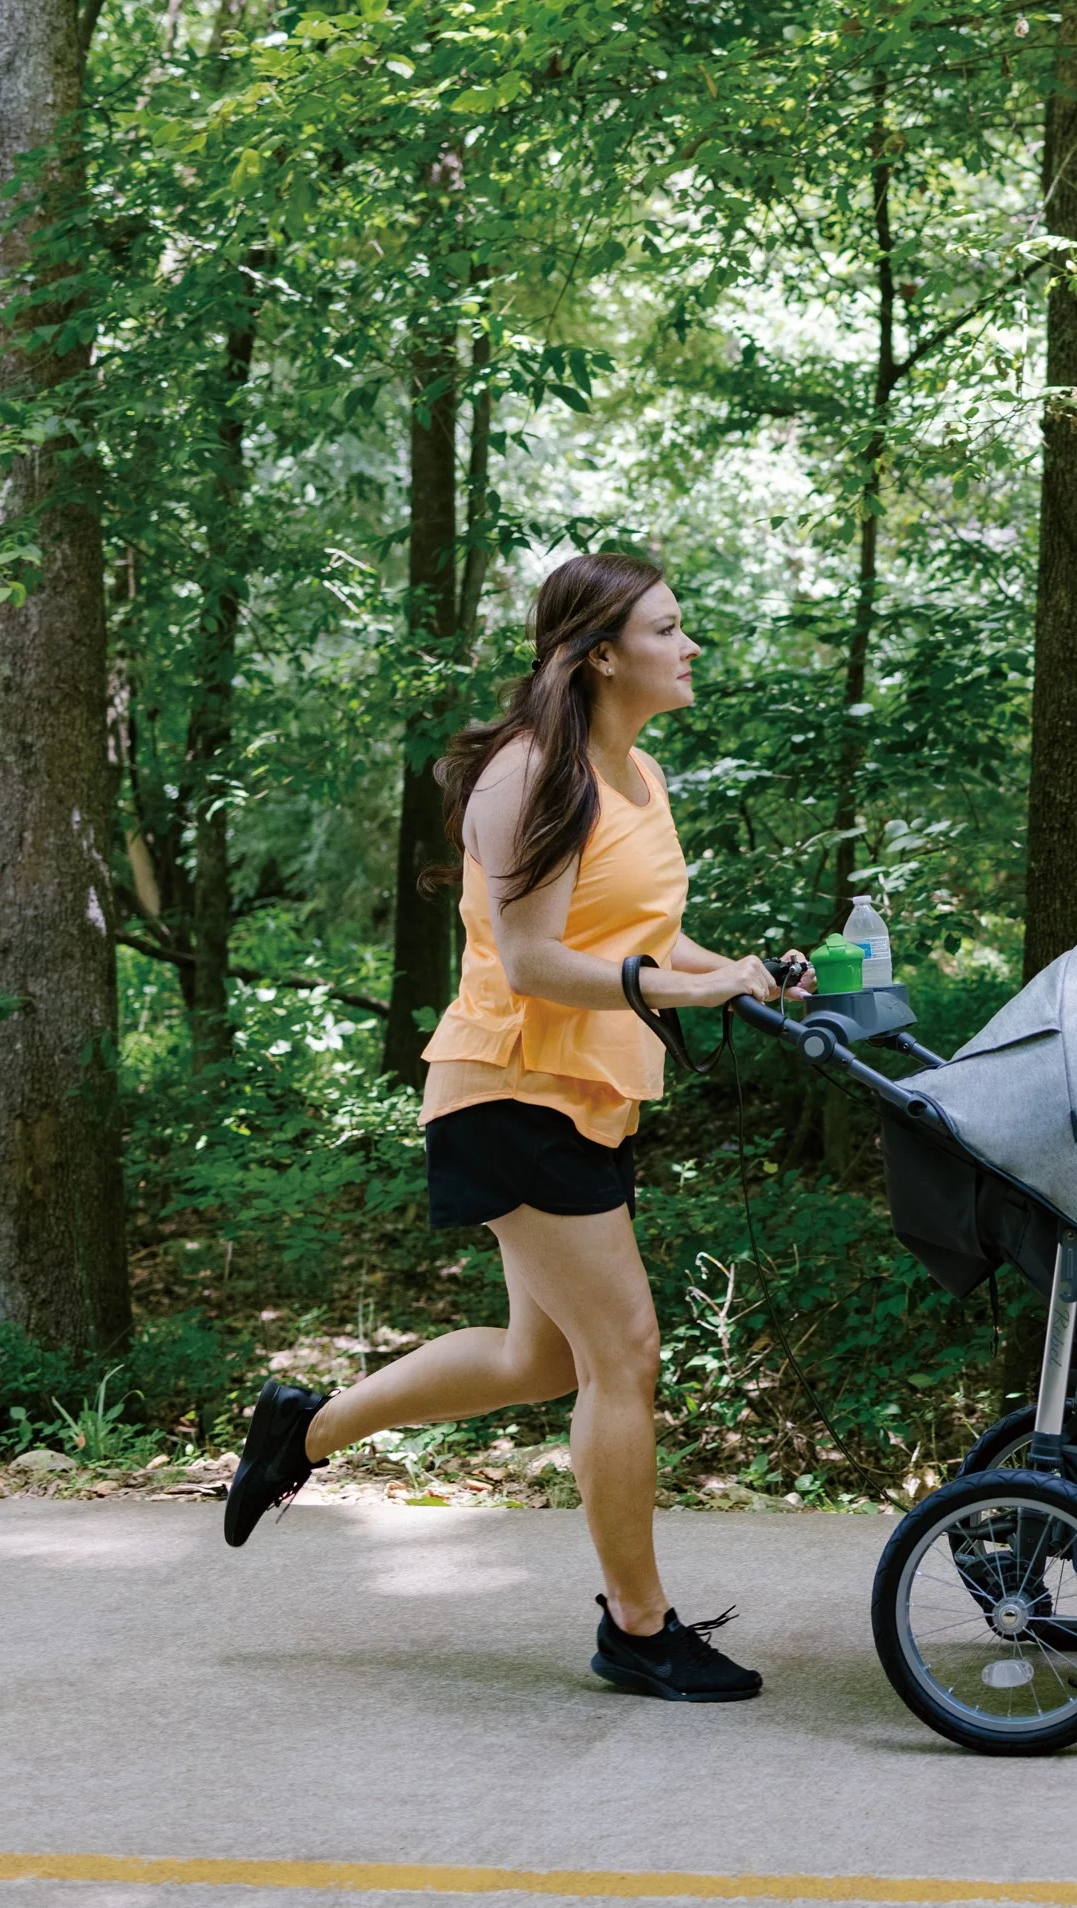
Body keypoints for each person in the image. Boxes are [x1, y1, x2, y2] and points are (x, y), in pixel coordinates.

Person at [222, 551, 815, 1703]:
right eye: (668, 628)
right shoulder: (530, 777)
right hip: (508, 1085)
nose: (689, 647)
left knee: (536, 1357)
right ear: (601, 653)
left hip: (589, 1091)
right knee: (624, 1354)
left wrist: (739, 973)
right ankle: (638, 1630)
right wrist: (680, 991)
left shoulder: (639, 773)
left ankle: (302, 1432)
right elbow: (539, 960)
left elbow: (649, 933)